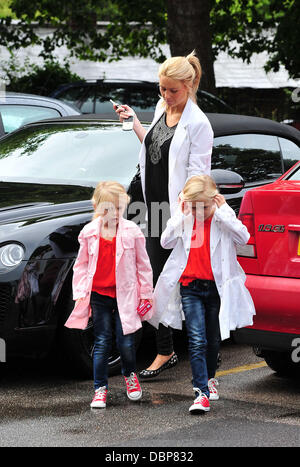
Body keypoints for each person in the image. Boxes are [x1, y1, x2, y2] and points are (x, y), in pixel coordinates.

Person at [114, 51, 214, 379]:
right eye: (161, 89)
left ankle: (185, 349)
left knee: (177, 281)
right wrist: (132, 122)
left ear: (189, 85)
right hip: (153, 207)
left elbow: (198, 178)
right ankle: (167, 348)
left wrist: (184, 217)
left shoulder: (199, 124)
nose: (166, 96)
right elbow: (153, 149)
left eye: (172, 90)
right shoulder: (161, 109)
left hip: (178, 213)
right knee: (157, 278)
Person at [149, 175, 256, 413]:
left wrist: (223, 210)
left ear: (214, 200)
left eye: (204, 206)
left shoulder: (221, 219)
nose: (199, 211)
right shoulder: (186, 219)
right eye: (194, 206)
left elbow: (244, 237)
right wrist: (181, 213)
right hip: (190, 288)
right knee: (196, 339)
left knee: (212, 340)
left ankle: (209, 379)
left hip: (215, 289)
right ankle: (201, 393)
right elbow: (165, 241)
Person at [64, 181, 153, 408]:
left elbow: (144, 266)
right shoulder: (89, 232)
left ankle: (130, 375)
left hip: (126, 296)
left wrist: (146, 295)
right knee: (102, 341)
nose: (112, 215)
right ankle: (99, 388)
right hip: (99, 295)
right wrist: (80, 292)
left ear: (124, 206)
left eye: (117, 209)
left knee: (125, 342)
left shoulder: (132, 232)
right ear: (96, 206)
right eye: (106, 210)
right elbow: (81, 265)